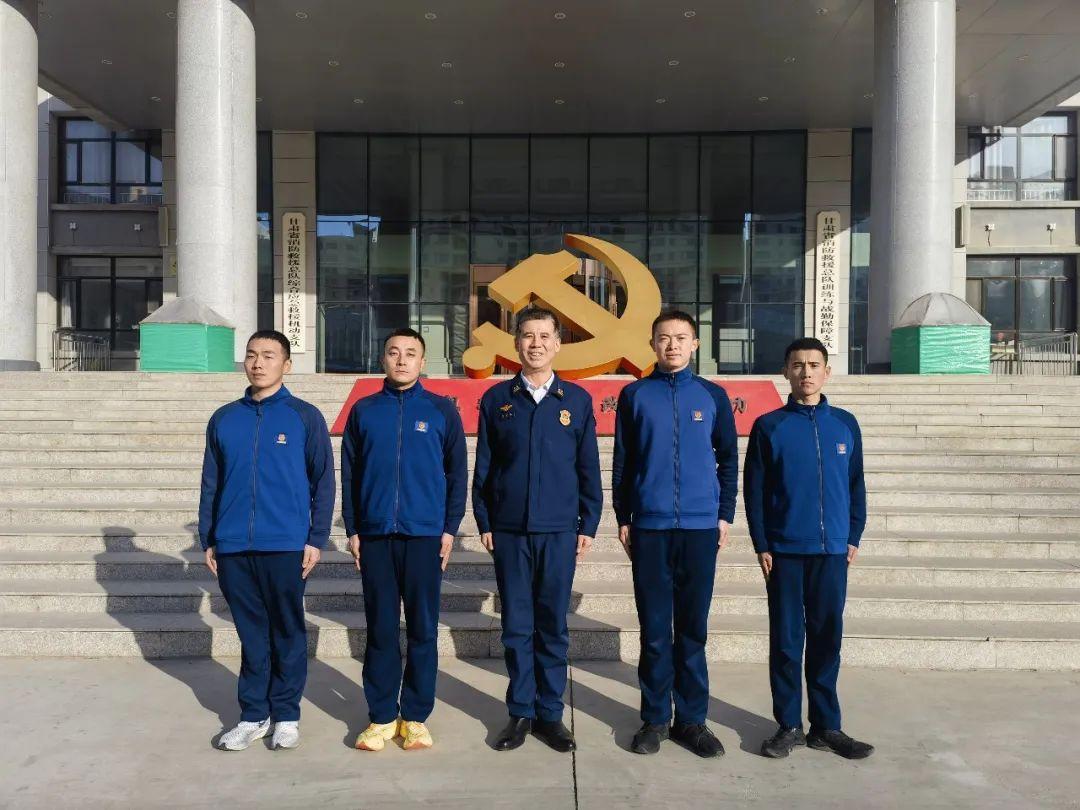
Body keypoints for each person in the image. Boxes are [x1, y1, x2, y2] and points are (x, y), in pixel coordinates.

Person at [472, 305, 602, 753]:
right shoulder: (497, 399)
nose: (536, 344)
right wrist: (485, 520)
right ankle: (520, 712)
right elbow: (484, 468)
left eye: (545, 336)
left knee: (552, 626)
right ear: (516, 343)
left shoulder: (577, 401)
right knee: (516, 626)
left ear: (558, 344)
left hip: (560, 531)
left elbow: (588, 468)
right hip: (509, 531)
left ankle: (550, 713)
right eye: (528, 336)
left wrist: (589, 522)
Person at [199, 330, 335, 751]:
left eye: (269, 356)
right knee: (251, 634)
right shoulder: (224, 418)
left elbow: (323, 481)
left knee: (287, 631)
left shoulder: (304, 416)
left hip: (286, 544)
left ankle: (287, 714)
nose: (258, 363)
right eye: (252, 355)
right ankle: (254, 715)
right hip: (234, 545)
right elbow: (210, 483)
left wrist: (316, 537)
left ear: (286, 365)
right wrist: (210, 537)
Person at [611, 310, 739, 758]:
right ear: (652, 344)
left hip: (701, 528)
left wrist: (724, 514)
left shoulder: (713, 395)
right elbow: (624, 461)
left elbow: (728, 459)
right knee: (654, 630)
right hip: (650, 526)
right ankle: (653, 719)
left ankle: (691, 720)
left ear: (695, 344)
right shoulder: (635, 395)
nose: (672, 345)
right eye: (664, 338)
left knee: (692, 630)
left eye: (681, 338)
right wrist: (623, 516)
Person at [743, 336, 874, 760]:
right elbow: (754, 491)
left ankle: (826, 726)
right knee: (786, 642)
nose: (806, 372)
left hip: (832, 551)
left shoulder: (845, 424)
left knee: (826, 639)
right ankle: (789, 726)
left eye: (814, 365)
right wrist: (762, 543)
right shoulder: (770, 426)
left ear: (826, 372)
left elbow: (856, 484)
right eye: (797, 365)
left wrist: (852, 535)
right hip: (784, 551)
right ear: (786, 371)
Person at [340, 328, 467, 752]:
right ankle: (380, 716)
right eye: (393, 352)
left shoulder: (441, 410)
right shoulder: (364, 411)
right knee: (380, 629)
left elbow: (456, 475)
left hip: (424, 536)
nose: (401, 359)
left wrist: (449, 528)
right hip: (375, 535)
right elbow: (350, 475)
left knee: (422, 629)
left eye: (410, 353)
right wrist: (353, 529)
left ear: (422, 362)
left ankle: (414, 716)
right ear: (383, 359)